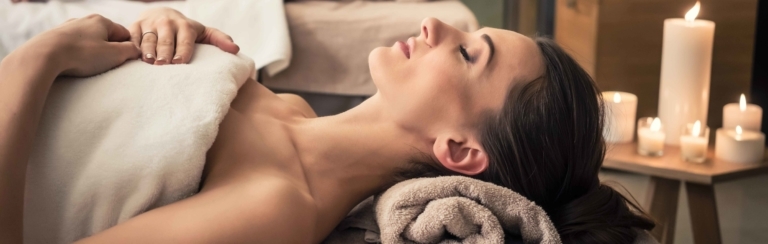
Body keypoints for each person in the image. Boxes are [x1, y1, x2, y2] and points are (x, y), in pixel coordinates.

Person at [0, 7, 654, 243]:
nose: (434, 25)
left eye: (464, 52)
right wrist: (162, 30)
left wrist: (39, 58)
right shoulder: (288, 111)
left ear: (458, 149)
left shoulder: (277, 206)